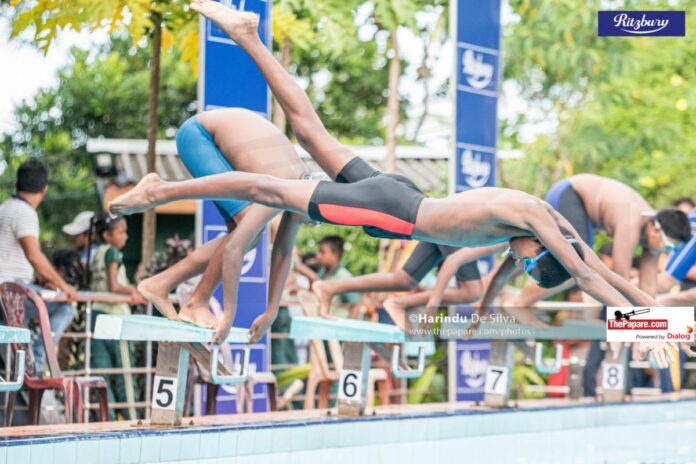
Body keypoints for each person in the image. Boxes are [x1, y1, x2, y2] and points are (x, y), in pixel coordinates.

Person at [0, 159, 77, 375]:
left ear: (17, 184)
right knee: (64, 306)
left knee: (11, 359)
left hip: (7, 291)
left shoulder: (4, 208)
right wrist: (64, 287)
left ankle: (26, 365)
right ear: (43, 190)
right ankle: (37, 359)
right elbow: (34, 255)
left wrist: (42, 279)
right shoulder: (25, 212)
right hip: (12, 291)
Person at [89, 217, 144, 420]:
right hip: (115, 318)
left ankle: (107, 418)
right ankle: (131, 417)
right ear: (107, 235)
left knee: (102, 372)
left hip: (97, 315)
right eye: (121, 232)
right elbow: (114, 286)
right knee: (125, 374)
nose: (125, 236)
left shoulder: (96, 253)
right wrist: (139, 290)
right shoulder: (113, 252)